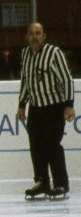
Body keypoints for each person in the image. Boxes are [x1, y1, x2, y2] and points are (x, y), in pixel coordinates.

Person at [17, 23, 75, 201]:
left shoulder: (54, 53)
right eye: (32, 33)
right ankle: (42, 181)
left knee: (52, 145)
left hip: (54, 106)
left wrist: (68, 104)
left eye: (38, 33)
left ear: (44, 35)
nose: (35, 37)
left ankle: (61, 184)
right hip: (36, 107)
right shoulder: (25, 53)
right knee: (36, 146)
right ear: (26, 36)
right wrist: (21, 104)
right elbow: (26, 80)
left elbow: (66, 79)